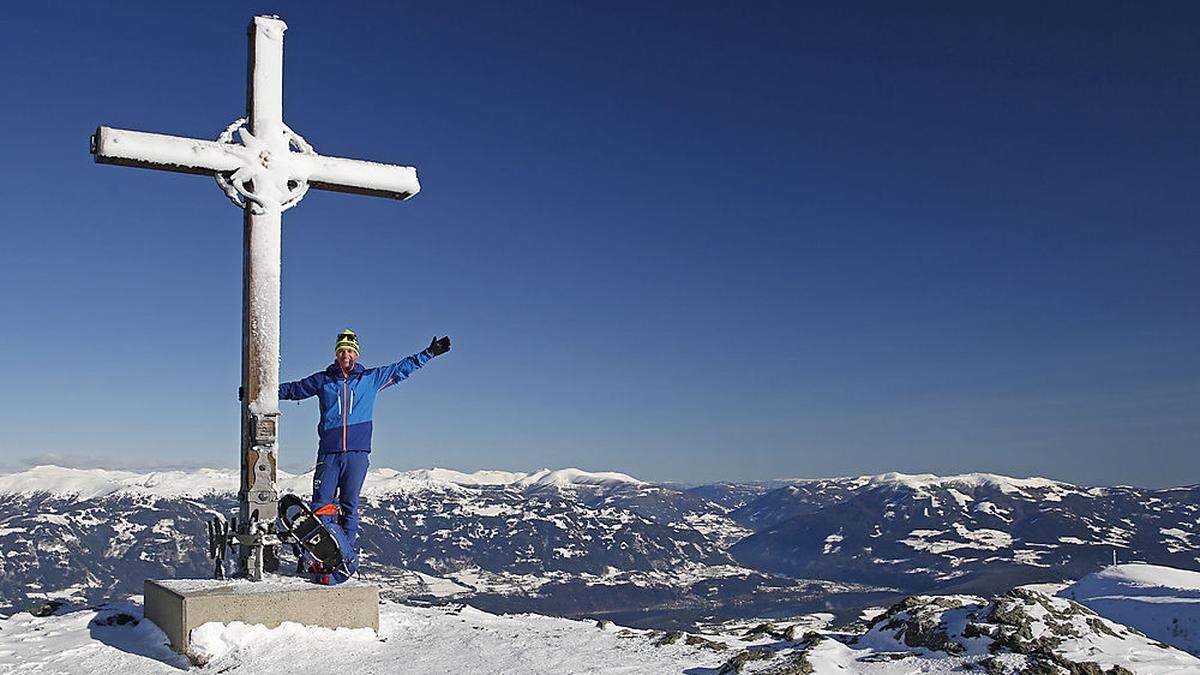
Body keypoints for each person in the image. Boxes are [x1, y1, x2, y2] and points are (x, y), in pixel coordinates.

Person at [279, 329, 451, 552]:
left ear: (356, 354)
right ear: (336, 354)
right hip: (329, 454)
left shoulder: (370, 379)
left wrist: (429, 353)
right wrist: (261, 392)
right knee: (321, 505)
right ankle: (319, 554)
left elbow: (401, 369)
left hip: (357, 454)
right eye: (342, 351)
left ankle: (345, 553)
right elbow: (294, 389)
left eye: (350, 351)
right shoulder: (323, 380)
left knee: (350, 506)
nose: (346, 355)